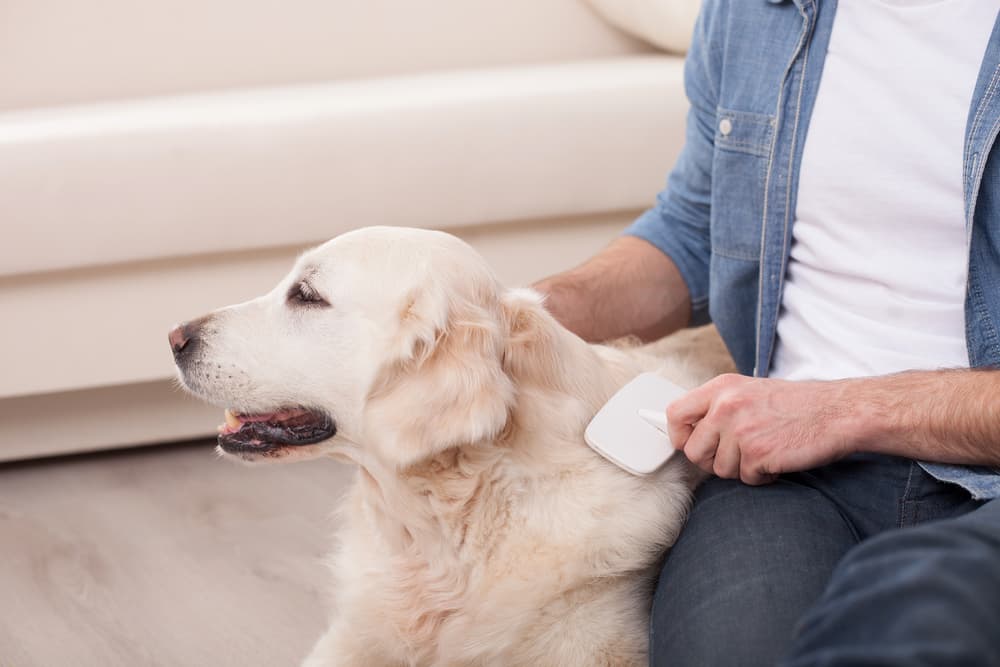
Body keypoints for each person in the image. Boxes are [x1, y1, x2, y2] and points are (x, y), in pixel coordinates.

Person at [533, 0, 1000, 664]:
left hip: (980, 480)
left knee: (919, 626)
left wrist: (844, 408)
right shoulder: (757, 11)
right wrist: (515, 318)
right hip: (784, 475)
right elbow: (696, 229)